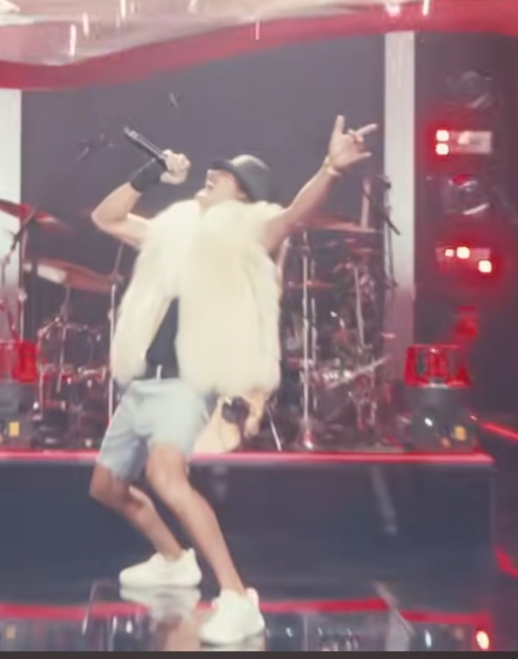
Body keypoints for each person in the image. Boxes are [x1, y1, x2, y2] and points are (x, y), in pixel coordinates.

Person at [87, 116, 377, 646]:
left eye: (223, 175)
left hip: (185, 381)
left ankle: (238, 597)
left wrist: (331, 168)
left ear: (243, 195)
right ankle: (174, 561)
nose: (212, 174)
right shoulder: (173, 233)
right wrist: (148, 175)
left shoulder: (246, 234)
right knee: (107, 487)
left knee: (166, 477)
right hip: (143, 381)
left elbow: (291, 217)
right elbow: (105, 218)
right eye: (214, 170)